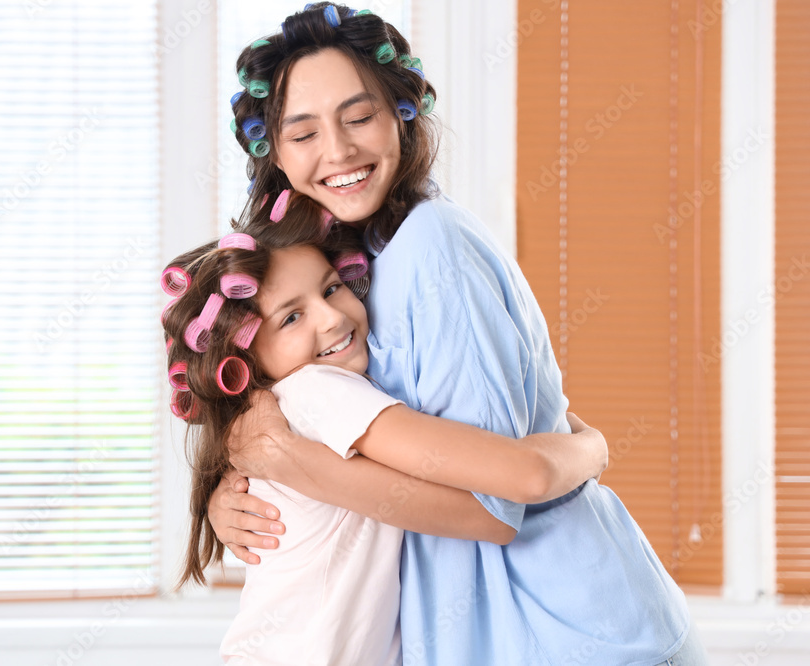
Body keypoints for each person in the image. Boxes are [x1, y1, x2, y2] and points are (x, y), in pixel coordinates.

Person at [209, 3, 707, 665]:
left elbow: (492, 506)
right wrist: (236, 485)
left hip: (569, 630)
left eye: (360, 117)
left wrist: (292, 463)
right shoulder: (347, 272)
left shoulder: (429, 246)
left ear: (401, 117)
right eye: (303, 134)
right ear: (275, 154)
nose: (339, 150)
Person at [161, 194, 607, 665]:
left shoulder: (295, 408)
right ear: (246, 358)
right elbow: (524, 482)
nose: (332, 317)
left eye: (331, 288)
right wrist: (592, 447)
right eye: (291, 317)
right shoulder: (316, 391)